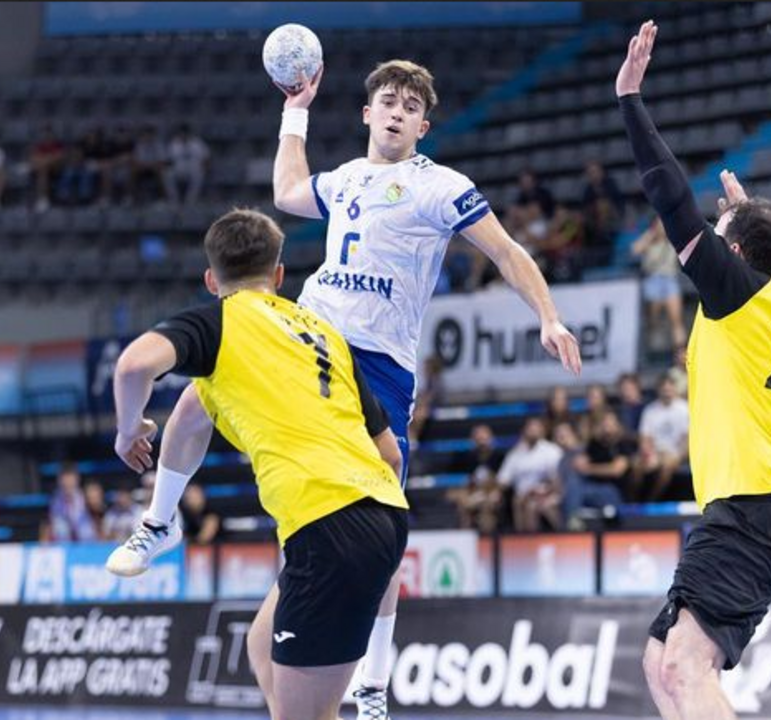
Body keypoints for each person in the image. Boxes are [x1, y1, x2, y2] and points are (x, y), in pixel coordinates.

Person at [124, 58, 582, 720]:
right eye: (387, 101)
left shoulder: (439, 186)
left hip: (378, 364)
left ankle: (374, 682)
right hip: (311, 340)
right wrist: (295, 109)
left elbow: (507, 252)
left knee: (382, 500)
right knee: (200, 393)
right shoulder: (344, 180)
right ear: (368, 113)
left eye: (410, 107)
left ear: (423, 127)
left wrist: (548, 315)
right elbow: (286, 189)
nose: (397, 112)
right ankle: (159, 521)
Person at [104, 209, 409, 720]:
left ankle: (159, 522)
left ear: (211, 280)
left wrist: (128, 430)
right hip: (380, 509)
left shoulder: (221, 322)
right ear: (279, 275)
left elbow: (134, 365)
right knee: (261, 646)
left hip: (328, 525)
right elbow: (390, 453)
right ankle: (159, 523)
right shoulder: (322, 334)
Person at [618, 22, 771, 720]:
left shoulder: (737, 296)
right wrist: (744, 214)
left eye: (723, 236)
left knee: (686, 664)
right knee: (659, 661)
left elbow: (670, 198)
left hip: (754, 502)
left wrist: (630, 101)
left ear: (733, 255)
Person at [497, 417, 564, 533]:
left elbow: (557, 479)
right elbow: (503, 479)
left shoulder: (552, 450)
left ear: (542, 431)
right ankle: (521, 538)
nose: (533, 431)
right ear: (524, 431)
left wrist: (543, 490)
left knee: (531, 505)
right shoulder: (515, 454)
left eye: (536, 428)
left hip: (545, 492)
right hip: (520, 495)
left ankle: (533, 539)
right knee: (518, 500)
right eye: (530, 429)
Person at [633, 216, 687, 352]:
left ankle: (680, 353)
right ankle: (651, 351)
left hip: (670, 279)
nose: (661, 227)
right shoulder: (650, 240)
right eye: (659, 224)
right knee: (653, 320)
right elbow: (635, 250)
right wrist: (651, 234)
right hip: (652, 280)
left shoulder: (672, 239)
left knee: (676, 319)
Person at [635, 376, 690, 501]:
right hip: (655, 452)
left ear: (675, 389)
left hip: (676, 452)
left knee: (666, 467)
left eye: (669, 389)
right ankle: (632, 500)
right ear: (658, 390)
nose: (667, 392)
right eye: (664, 390)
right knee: (636, 466)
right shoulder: (650, 410)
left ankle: (652, 500)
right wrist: (648, 453)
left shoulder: (684, 408)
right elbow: (644, 436)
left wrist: (678, 456)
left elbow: (687, 439)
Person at [446, 424, 505, 533]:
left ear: (491, 439)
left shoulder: (500, 457)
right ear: (472, 440)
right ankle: (465, 536)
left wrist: (495, 491)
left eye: (484, 437)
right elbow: (454, 484)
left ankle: (487, 537)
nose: (482, 441)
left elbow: (503, 481)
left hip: (491, 494)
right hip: (472, 494)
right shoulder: (465, 459)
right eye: (478, 438)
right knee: (463, 505)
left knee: (487, 506)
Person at [574, 412, 638, 501]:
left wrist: (589, 469)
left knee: (578, 492)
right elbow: (582, 462)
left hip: (614, 489)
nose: (607, 426)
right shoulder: (595, 443)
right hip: (591, 485)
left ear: (618, 424)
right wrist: (579, 462)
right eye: (605, 422)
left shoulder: (624, 443)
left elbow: (616, 470)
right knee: (574, 485)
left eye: (610, 423)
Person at [48, 461, 97, 542]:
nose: (68, 483)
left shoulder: (86, 497)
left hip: (87, 542)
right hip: (64, 542)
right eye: (65, 480)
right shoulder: (55, 501)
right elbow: (54, 528)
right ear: (59, 480)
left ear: (77, 479)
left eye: (70, 479)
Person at [165, 123, 210, 206]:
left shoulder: (198, 143)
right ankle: (174, 200)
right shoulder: (173, 144)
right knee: (168, 174)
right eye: (181, 133)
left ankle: (191, 200)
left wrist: (204, 168)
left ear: (189, 133)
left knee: (199, 174)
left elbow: (206, 158)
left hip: (193, 169)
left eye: (185, 133)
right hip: (178, 170)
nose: (183, 135)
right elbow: (168, 160)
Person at [29, 124, 65, 212]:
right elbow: (33, 159)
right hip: (43, 170)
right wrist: (48, 158)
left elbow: (59, 157)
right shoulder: (40, 146)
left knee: (43, 166)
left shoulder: (58, 145)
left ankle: (43, 199)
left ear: (52, 135)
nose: (47, 136)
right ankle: (43, 199)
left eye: (49, 134)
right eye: (45, 134)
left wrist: (45, 159)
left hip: (56, 170)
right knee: (43, 170)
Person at [616, 372, 647, 437]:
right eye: (623, 389)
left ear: (637, 387)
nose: (626, 393)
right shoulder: (618, 412)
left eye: (629, 388)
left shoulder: (649, 408)